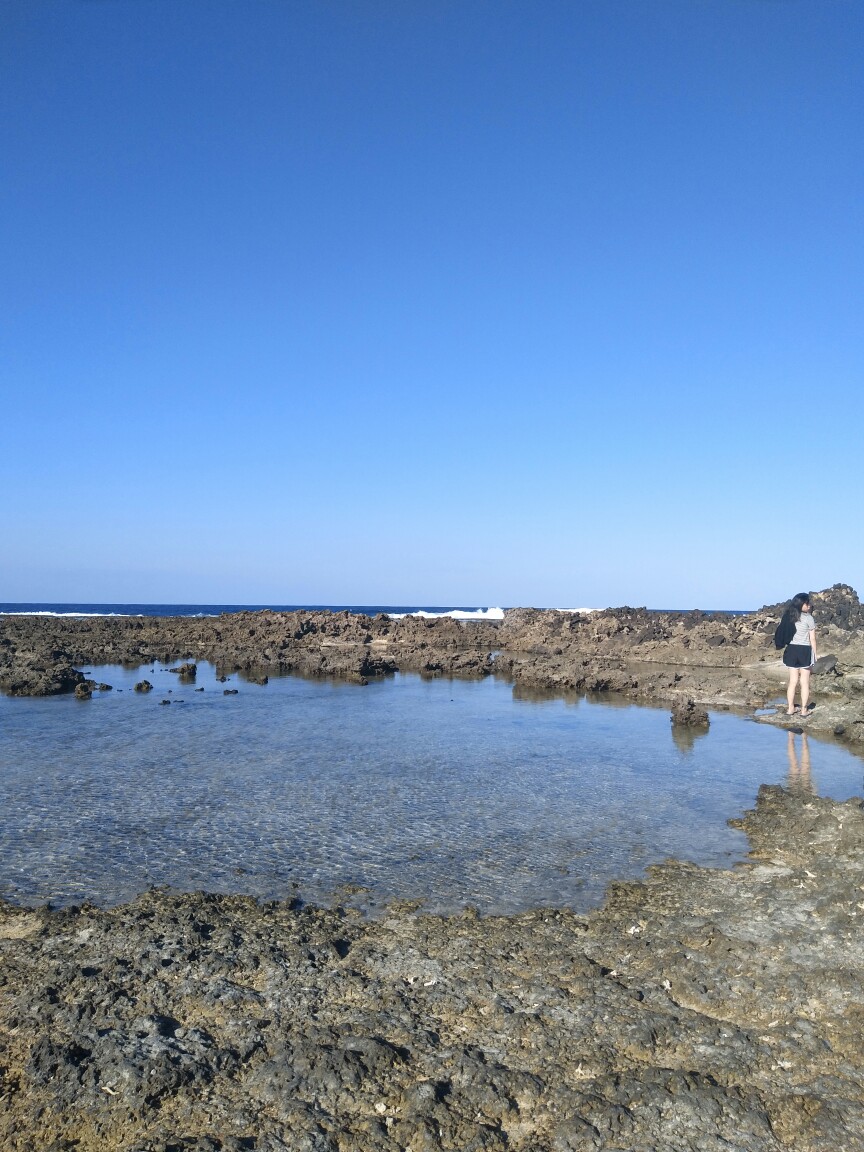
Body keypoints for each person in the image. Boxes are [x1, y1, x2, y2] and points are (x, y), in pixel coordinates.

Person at [780, 592, 817, 716]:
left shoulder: (789, 616)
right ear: (802, 604)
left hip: (791, 650)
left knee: (793, 681)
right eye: (807, 603)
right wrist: (815, 654)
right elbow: (812, 639)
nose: (809, 605)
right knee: (804, 682)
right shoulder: (809, 618)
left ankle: (790, 709)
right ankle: (804, 710)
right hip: (805, 650)